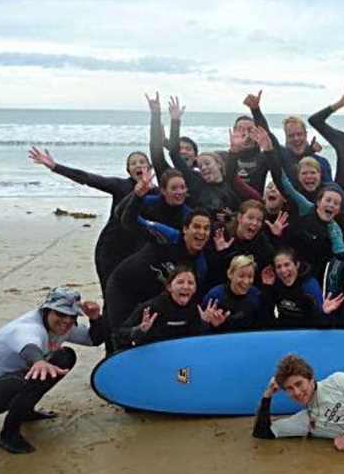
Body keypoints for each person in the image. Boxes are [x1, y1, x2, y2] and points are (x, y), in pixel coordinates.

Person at [0, 287, 104, 454]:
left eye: (71, 316)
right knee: (31, 377)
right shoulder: (28, 327)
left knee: (65, 357)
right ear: (46, 310)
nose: (66, 321)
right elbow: (29, 346)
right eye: (60, 314)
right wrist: (38, 361)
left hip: (13, 379)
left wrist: (95, 318)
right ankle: (8, 435)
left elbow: (93, 339)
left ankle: (26, 412)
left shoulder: (64, 326)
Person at [28, 145, 150, 295]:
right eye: (133, 163)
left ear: (149, 168)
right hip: (110, 249)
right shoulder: (120, 186)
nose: (138, 165)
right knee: (111, 294)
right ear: (128, 170)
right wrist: (55, 166)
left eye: (142, 162)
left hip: (137, 250)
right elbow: (88, 178)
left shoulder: (158, 193)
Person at [104, 208, 212, 344]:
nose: (201, 232)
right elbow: (127, 217)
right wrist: (137, 196)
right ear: (185, 229)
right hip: (124, 286)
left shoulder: (201, 263)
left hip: (153, 292)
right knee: (120, 335)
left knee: (150, 332)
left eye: (206, 228)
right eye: (196, 227)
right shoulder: (168, 236)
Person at [242, 89, 333, 190]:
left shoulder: (321, 162)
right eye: (291, 135)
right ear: (285, 137)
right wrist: (255, 110)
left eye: (299, 134)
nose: (296, 138)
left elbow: (330, 191)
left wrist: (309, 152)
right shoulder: (281, 155)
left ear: (306, 134)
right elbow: (267, 135)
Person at [115, 265, 225, 347]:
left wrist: (205, 323)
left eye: (190, 283)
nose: (186, 287)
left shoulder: (196, 309)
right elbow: (119, 335)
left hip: (181, 362)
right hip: (153, 360)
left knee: (184, 378)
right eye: (180, 282)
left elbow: (197, 342)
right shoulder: (151, 308)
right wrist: (139, 330)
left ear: (195, 289)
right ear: (169, 287)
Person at [207, 200, 276, 289]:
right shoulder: (221, 233)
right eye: (250, 218)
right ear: (240, 218)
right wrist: (221, 254)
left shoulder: (262, 244)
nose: (254, 223)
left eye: (259, 220)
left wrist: (276, 237)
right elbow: (211, 273)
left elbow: (272, 260)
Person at [259, 248, 326, 329]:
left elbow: (320, 322)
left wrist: (325, 314)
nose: (283, 270)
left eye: (287, 265)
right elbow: (264, 319)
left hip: (306, 333)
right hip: (284, 333)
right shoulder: (276, 283)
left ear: (297, 265)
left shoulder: (309, 286)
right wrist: (267, 288)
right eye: (278, 267)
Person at [201, 255, 262, 333]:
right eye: (241, 276)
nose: (246, 281)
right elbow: (200, 330)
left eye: (250, 277)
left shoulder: (256, 295)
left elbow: (260, 327)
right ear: (230, 274)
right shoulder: (215, 296)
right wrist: (212, 325)